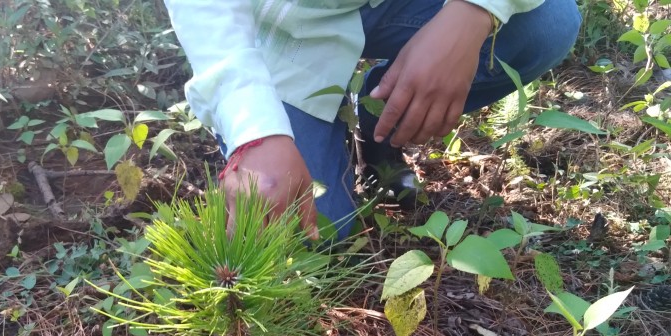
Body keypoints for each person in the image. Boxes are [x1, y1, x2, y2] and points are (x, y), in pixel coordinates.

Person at [162, 0, 581, 239]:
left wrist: (473, 13)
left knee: (546, 25)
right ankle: (314, 122)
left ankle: (379, 127)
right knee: (320, 234)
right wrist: (255, 129)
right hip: (285, 23)